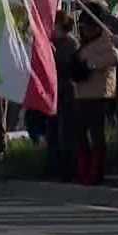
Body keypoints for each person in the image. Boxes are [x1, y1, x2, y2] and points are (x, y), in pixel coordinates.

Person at [72, 2, 118, 185]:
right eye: (83, 27)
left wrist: (89, 64)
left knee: (97, 136)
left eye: (87, 27)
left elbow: (114, 58)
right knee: (80, 135)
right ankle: (83, 170)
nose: (84, 31)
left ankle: (96, 172)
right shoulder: (84, 43)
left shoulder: (107, 38)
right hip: (82, 93)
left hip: (99, 94)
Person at [49, 11, 80, 182]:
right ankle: (54, 168)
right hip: (54, 93)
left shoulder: (70, 43)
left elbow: (68, 67)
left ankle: (68, 170)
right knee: (53, 132)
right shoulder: (54, 42)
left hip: (67, 93)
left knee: (66, 133)